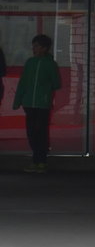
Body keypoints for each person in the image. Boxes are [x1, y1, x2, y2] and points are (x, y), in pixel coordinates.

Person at [12, 34, 61, 173]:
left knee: (41, 132)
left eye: (37, 46)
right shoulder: (30, 63)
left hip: (43, 103)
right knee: (32, 132)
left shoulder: (50, 64)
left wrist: (45, 88)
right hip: (29, 104)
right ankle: (36, 159)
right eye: (33, 46)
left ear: (45, 48)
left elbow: (56, 83)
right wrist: (18, 101)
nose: (34, 48)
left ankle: (41, 160)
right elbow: (23, 83)